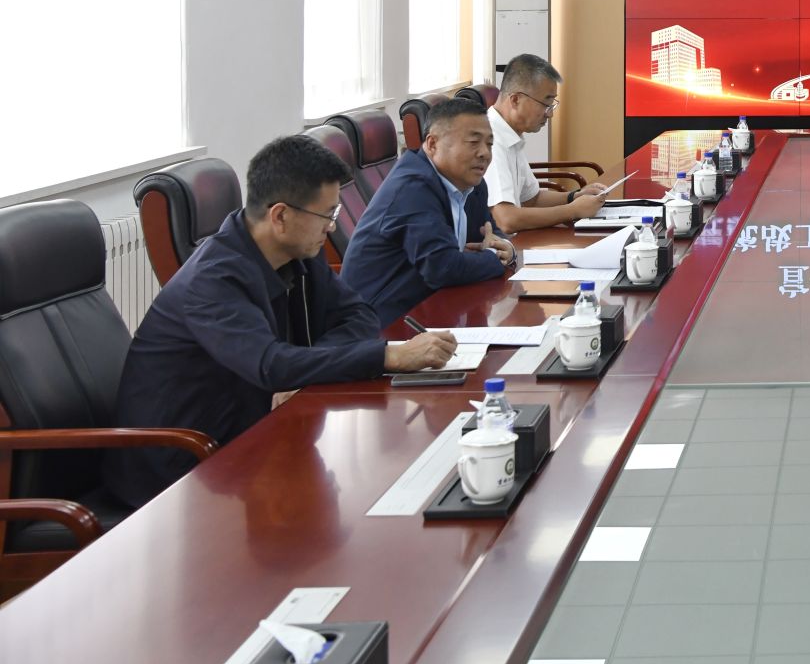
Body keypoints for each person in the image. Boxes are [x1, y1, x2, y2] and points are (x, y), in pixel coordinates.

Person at [105, 135, 457, 507]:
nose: (332, 227)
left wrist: (304, 369)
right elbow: (271, 365)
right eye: (327, 215)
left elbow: (360, 314)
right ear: (280, 216)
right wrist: (388, 356)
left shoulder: (298, 251)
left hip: (251, 437)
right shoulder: (212, 280)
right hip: (179, 471)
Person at [342, 98, 520, 325]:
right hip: (381, 325)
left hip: (434, 310)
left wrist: (506, 249)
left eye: (490, 144)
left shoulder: (472, 185)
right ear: (433, 143)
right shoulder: (412, 189)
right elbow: (443, 268)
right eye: (473, 142)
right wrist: (496, 259)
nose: (485, 153)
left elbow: (490, 235)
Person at [485, 53, 611, 232]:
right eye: (545, 104)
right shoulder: (490, 140)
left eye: (552, 105)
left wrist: (574, 196)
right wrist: (573, 210)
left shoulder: (510, 135)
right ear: (515, 99)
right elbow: (506, 220)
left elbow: (531, 200)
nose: (550, 114)